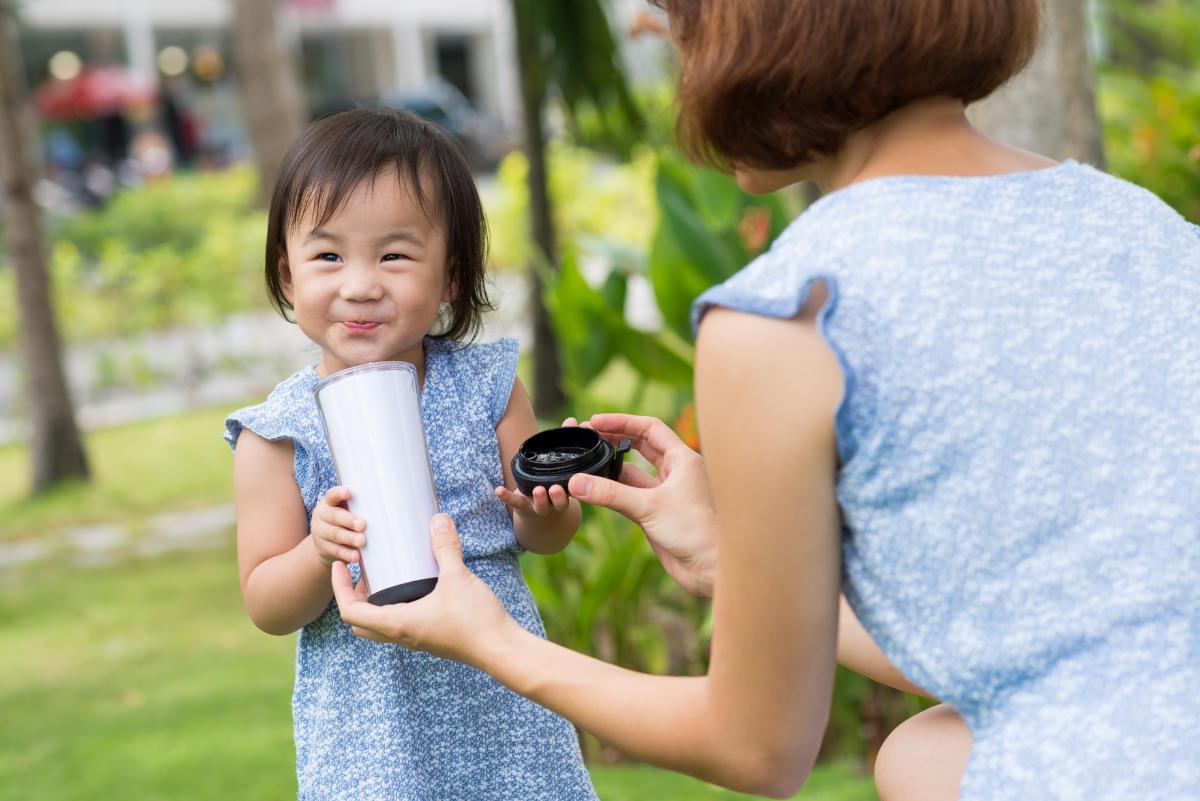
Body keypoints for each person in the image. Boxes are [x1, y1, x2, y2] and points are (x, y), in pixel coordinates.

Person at [330, 1, 1200, 799]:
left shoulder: (789, 310)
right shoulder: (1143, 227)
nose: (682, 65)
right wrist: (724, 557)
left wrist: (493, 640)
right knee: (925, 752)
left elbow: (759, 746)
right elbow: (1088, 643)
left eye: (687, 28)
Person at [223, 108, 596, 800]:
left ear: (451, 274)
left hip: (501, 693)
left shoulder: (486, 387)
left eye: (394, 254)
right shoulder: (276, 433)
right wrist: (316, 552)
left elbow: (547, 534)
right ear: (288, 271)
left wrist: (545, 507)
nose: (360, 284)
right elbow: (266, 603)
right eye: (328, 256)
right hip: (371, 727)